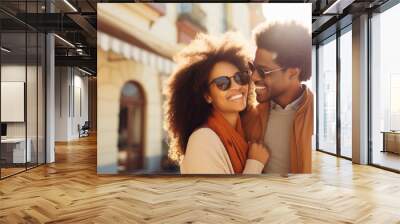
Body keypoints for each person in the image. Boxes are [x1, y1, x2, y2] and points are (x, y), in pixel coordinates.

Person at [164, 32, 269, 174]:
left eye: (240, 77)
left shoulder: (245, 132)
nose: (236, 86)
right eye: (222, 83)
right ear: (208, 96)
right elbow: (219, 196)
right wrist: (255, 164)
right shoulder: (202, 140)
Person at [243, 22, 314, 174]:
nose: (253, 77)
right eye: (252, 67)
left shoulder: (315, 116)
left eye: (263, 71)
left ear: (292, 72)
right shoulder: (250, 117)